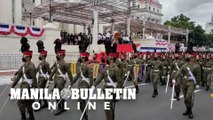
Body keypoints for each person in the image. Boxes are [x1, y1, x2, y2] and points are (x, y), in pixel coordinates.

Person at [93, 53, 122, 120]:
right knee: (110, 107)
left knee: (107, 107)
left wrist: (117, 92)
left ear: (113, 59)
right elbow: (100, 77)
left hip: (112, 89)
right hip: (106, 89)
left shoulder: (116, 69)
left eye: (110, 58)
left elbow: (119, 81)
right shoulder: (106, 68)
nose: (109, 60)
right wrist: (94, 85)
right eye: (108, 58)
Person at [11, 51, 37, 120]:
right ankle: (31, 116)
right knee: (28, 102)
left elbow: (34, 78)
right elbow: (18, 76)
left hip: (28, 87)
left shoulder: (31, 66)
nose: (23, 57)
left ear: (29, 57)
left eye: (24, 56)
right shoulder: (23, 66)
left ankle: (23, 117)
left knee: (20, 102)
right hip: (23, 86)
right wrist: (12, 87)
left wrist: (35, 89)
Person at [174, 54, 201, 119]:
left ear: (192, 58)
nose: (187, 58)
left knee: (188, 97)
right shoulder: (184, 66)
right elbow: (179, 72)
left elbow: (198, 75)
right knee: (185, 98)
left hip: (191, 83)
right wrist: (174, 78)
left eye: (188, 57)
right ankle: (188, 109)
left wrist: (197, 83)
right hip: (184, 83)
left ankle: (190, 111)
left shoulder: (196, 66)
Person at [49, 50, 73, 116]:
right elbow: (54, 70)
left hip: (61, 80)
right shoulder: (57, 62)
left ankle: (59, 107)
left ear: (62, 55)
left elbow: (69, 73)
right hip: (56, 79)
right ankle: (63, 106)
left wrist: (72, 82)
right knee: (59, 93)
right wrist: (50, 77)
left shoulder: (65, 64)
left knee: (57, 93)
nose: (57, 55)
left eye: (59, 54)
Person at [71, 52, 93, 120]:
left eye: (83, 57)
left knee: (80, 100)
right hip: (80, 85)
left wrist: (91, 87)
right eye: (81, 57)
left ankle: (84, 115)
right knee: (81, 101)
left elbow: (91, 77)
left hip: (85, 85)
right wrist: (72, 82)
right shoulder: (80, 66)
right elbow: (77, 75)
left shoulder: (88, 66)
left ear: (85, 58)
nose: (81, 58)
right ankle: (84, 114)